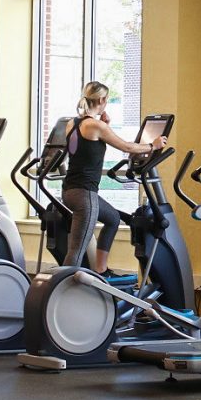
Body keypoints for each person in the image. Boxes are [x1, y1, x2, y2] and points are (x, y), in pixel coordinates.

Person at [62, 81, 167, 281]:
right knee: (76, 250)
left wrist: (105, 125)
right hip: (84, 194)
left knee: (112, 219)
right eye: (107, 100)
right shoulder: (95, 125)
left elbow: (88, 147)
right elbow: (126, 147)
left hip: (70, 191)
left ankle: (102, 271)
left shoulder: (73, 123)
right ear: (102, 100)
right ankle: (59, 292)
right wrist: (152, 146)